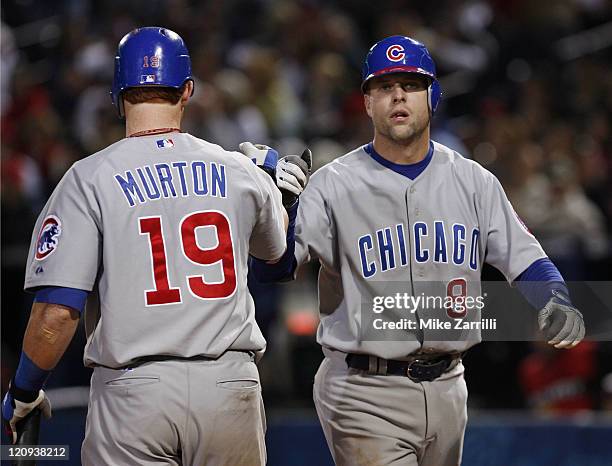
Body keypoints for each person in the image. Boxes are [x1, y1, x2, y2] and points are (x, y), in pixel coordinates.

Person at [249, 35, 585, 466]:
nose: (398, 95)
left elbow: (526, 258)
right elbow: (274, 270)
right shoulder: (333, 184)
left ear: (434, 96)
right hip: (363, 389)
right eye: (384, 87)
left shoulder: (473, 180)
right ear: (367, 103)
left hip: (450, 383)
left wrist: (555, 298)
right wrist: (280, 211)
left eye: (411, 84)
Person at [2, 27, 289, 466]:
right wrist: (282, 197)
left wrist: (23, 391)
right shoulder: (238, 169)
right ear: (187, 90)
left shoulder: (89, 177)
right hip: (230, 386)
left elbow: (57, 314)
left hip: (135, 394)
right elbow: (276, 260)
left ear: (117, 92)